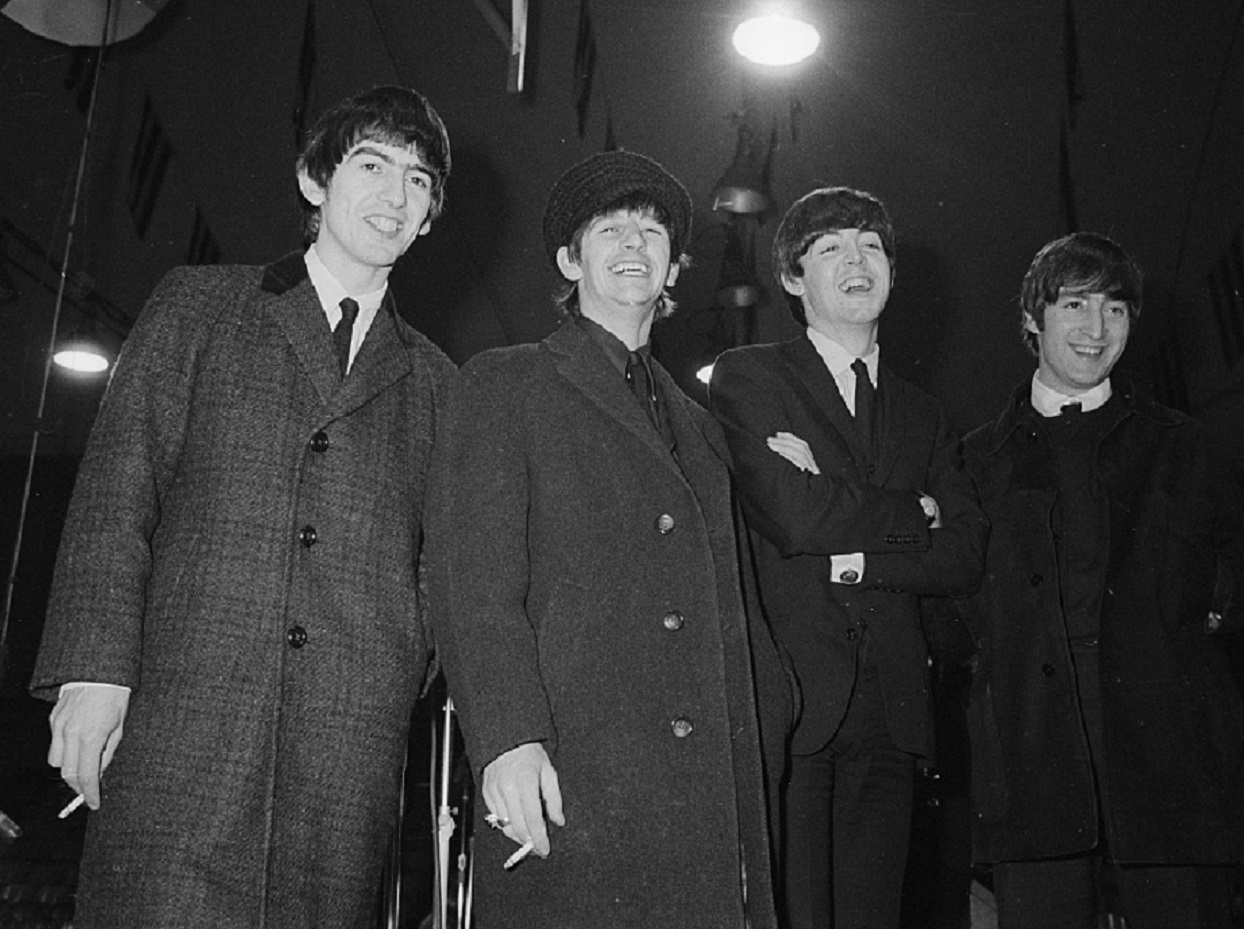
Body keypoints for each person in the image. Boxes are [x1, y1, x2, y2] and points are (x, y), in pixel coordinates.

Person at [30, 85, 457, 929]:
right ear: (314, 180)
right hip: (181, 729)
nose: (394, 194)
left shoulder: (441, 382)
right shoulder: (201, 305)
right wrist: (93, 669)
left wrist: (397, 665)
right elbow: (119, 491)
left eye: (417, 181)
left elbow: (444, 570)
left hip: (345, 757)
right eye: (371, 165)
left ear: (429, 217)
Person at [424, 149, 795, 929]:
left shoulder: (700, 425)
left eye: (652, 231)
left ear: (672, 269)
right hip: (574, 776)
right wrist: (507, 737)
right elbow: (471, 586)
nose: (634, 244)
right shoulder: (503, 383)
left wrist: (771, 718)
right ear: (570, 258)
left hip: (702, 802)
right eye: (610, 229)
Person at [708, 186, 988, 929]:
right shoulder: (750, 375)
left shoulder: (924, 412)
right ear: (793, 280)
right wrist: (908, 513)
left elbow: (961, 553)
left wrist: (850, 547)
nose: (857, 260)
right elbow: (793, 515)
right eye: (830, 248)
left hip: (894, 714)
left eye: (871, 246)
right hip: (795, 705)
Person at [953, 232, 1244, 928]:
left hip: (1172, 776)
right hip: (1032, 778)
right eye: (1075, 305)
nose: (1096, 329)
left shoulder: (1183, 445)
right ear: (1032, 319)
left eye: (1115, 309)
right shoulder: (972, 462)